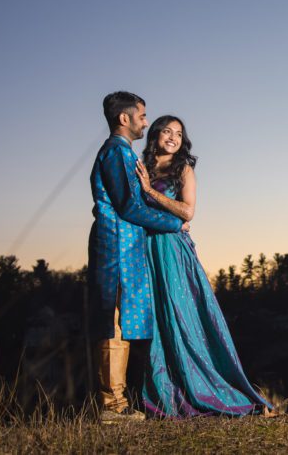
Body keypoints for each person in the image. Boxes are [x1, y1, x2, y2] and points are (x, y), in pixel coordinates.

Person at [133, 115, 273, 417]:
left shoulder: (183, 169)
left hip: (172, 251)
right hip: (146, 250)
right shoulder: (142, 166)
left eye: (179, 134)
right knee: (155, 319)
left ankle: (205, 386)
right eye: (167, 131)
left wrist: (150, 192)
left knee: (183, 314)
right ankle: (163, 390)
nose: (173, 137)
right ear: (155, 135)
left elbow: (188, 211)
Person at [88, 91, 189, 422]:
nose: (146, 121)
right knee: (113, 320)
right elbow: (128, 205)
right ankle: (111, 405)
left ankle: (118, 402)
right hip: (116, 246)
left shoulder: (125, 153)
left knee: (121, 319)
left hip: (127, 245)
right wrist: (173, 222)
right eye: (142, 116)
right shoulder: (117, 153)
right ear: (124, 119)